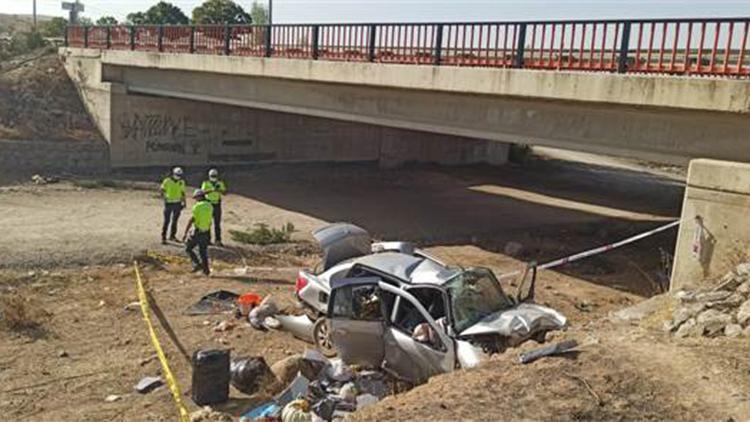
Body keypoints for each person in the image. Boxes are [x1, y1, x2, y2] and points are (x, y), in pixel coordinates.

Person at [183, 189, 213, 276]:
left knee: (188, 248)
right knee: (203, 252)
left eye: (196, 198)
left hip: (197, 231)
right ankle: (206, 271)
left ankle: (197, 264)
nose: (195, 199)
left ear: (199, 197)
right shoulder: (210, 206)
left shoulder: (197, 206)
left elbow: (192, 219)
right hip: (206, 231)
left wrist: (186, 232)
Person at [201, 168, 227, 246]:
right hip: (208, 204)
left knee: (217, 223)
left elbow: (224, 192)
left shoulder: (220, 183)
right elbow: (203, 192)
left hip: (217, 204)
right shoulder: (206, 183)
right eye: (212, 176)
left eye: (214, 176)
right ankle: (207, 239)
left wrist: (219, 190)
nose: (213, 177)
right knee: (207, 222)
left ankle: (218, 240)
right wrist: (211, 190)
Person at [160, 167, 186, 244]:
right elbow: (162, 190)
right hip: (169, 203)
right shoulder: (167, 181)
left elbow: (182, 193)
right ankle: (163, 237)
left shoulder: (181, 182)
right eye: (177, 174)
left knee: (175, 220)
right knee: (167, 221)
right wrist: (164, 198)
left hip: (177, 203)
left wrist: (184, 202)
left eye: (180, 175)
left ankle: (172, 236)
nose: (178, 176)